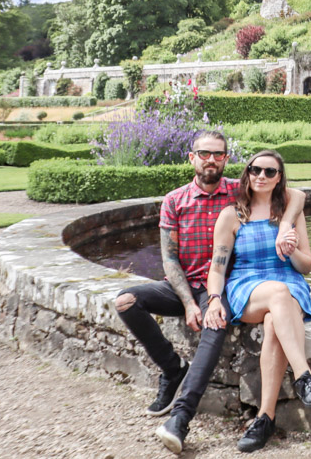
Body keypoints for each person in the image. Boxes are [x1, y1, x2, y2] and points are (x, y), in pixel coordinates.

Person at [114, 131, 298, 454]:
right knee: (127, 301)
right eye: (204, 153)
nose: (211, 159)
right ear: (192, 158)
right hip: (184, 285)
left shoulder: (239, 194)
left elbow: (291, 194)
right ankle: (173, 370)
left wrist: (285, 228)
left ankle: (180, 418)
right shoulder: (174, 201)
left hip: (223, 286)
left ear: (226, 159)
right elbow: (170, 260)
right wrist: (187, 302)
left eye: (218, 154)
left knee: (214, 323)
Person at [204, 149, 311, 453]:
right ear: (247, 173)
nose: (261, 176)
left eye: (269, 172)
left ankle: (264, 418)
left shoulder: (290, 212)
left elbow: (307, 265)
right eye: (255, 169)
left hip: (290, 284)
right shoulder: (232, 215)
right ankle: (304, 376)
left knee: (276, 317)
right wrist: (212, 299)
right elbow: (217, 267)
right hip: (248, 287)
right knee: (276, 294)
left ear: (279, 178)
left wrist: (290, 251)